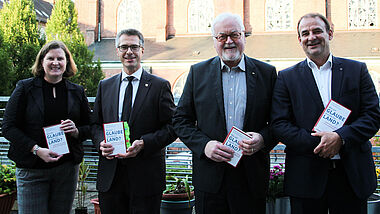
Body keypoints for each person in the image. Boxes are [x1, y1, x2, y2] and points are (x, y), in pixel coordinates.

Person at [271, 13, 380, 214]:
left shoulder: (356, 70)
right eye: (305, 33)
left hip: (351, 176)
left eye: (317, 31)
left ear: (330, 33)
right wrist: (322, 143)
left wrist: (341, 138)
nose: (311, 37)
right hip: (306, 178)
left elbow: (373, 115)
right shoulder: (287, 78)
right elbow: (279, 124)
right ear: (299, 39)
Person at [173, 13, 277, 214]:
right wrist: (204, 145)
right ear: (214, 41)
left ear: (244, 36)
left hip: (251, 177)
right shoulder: (197, 73)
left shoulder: (267, 73)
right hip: (210, 179)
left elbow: (280, 121)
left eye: (235, 35)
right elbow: (180, 120)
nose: (229, 41)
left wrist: (263, 139)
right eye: (222, 36)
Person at [91, 28, 176, 214]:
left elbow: (172, 127)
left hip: (146, 177)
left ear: (142, 50)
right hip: (111, 177)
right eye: (124, 47)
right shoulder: (105, 86)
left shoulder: (159, 86)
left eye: (134, 47)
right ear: (117, 51)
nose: (129, 52)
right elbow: (95, 124)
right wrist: (100, 142)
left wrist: (145, 143)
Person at [2, 40, 91, 213]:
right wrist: (35, 149)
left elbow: (90, 126)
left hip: (66, 170)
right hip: (32, 169)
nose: (56, 63)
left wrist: (76, 131)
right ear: (42, 62)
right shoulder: (25, 88)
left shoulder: (77, 91)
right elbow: (8, 127)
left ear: (67, 62)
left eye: (60, 58)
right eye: (50, 58)